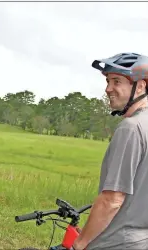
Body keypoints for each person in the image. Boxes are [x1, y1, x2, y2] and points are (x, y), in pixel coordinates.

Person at [72, 52, 148, 250]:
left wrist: (79, 244)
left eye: (117, 81)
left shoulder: (131, 128)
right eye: (107, 81)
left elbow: (112, 200)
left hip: (115, 243)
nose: (108, 89)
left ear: (140, 86)